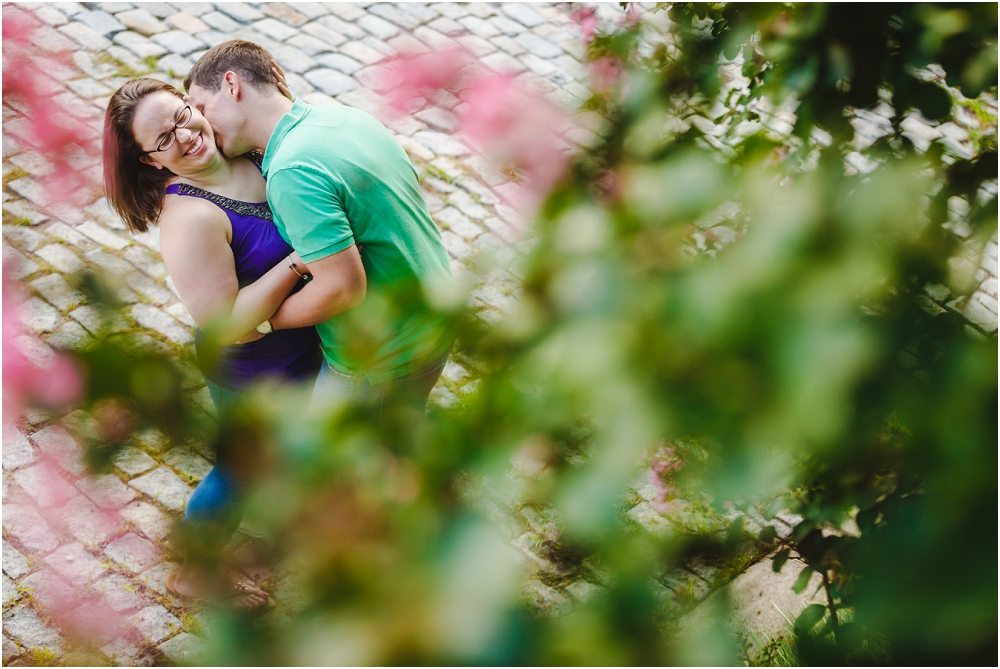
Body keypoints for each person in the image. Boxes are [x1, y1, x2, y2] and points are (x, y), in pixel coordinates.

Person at [103, 78, 324, 609]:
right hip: (252, 364)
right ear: (151, 162)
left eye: (181, 115)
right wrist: (301, 261)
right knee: (238, 470)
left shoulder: (245, 152)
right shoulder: (190, 218)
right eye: (162, 140)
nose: (184, 135)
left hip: (303, 342)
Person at [184, 40, 455, 426]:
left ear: (232, 85)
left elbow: (341, 288)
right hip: (431, 324)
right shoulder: (345, 118)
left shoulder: (292, 170)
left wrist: (263, 323)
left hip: (379, 359)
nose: (202, 125)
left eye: (202, 108)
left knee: (328, 479)